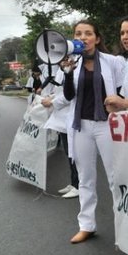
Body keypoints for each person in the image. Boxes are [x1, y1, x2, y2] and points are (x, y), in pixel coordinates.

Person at [62, 20, 125, 244]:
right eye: (78, 34)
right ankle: (86, 225)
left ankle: (124, 227)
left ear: (97, 39)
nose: (83, 37)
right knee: (85, 179)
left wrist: (118, 102)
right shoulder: (72, 63)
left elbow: (122, 91)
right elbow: (69, 96)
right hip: (81, 126)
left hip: (107, 125)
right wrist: (68, 73)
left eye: (88, 34)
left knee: (115, 177)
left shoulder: (113, 62)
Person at [41, 65, 80, 199]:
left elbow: (70, 93)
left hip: (70, 115)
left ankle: (78, 185)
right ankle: (74, 182)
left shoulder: (75, 66)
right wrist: (51, 97)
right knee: (69, 152)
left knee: (74, 153)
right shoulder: (60, 69)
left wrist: (52, 102)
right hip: (62, 118)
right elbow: (60, 90)